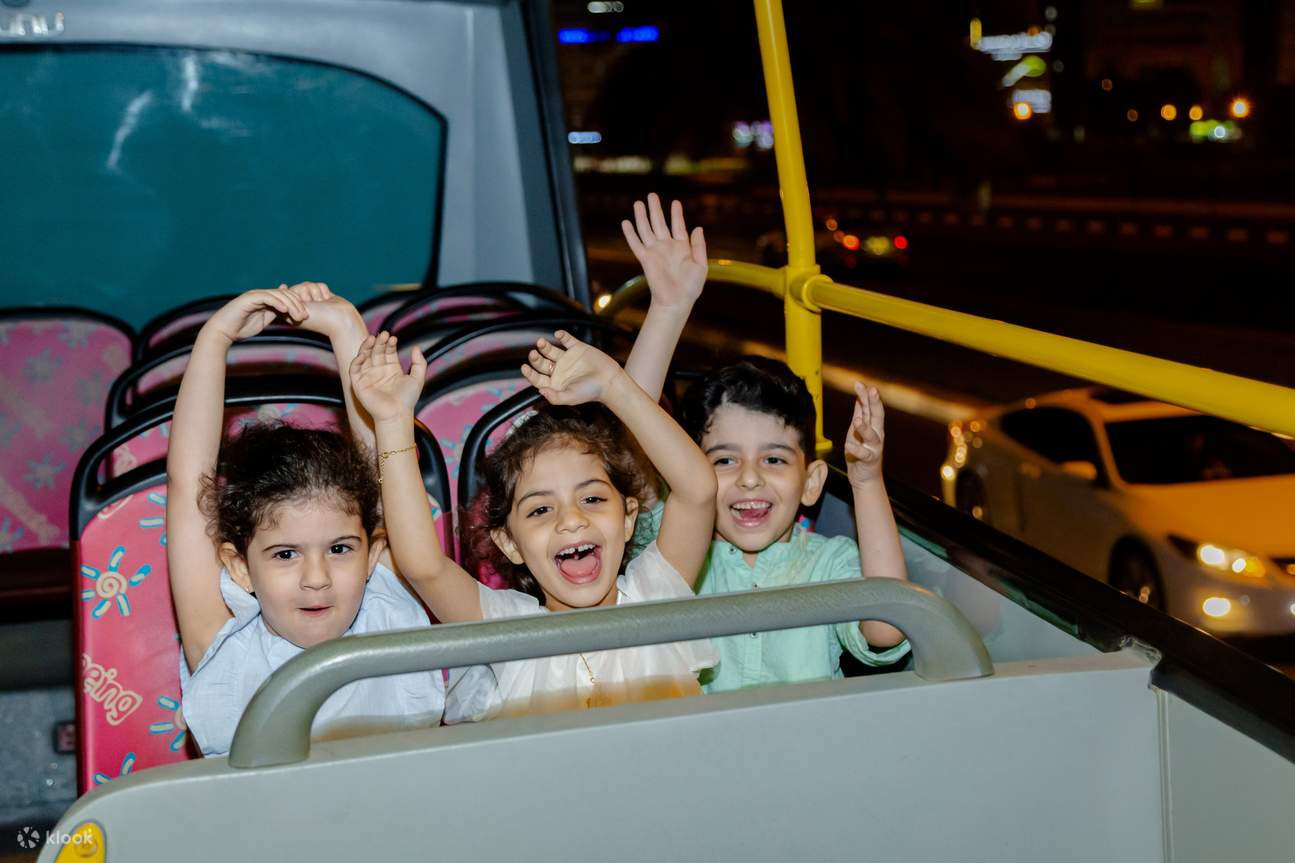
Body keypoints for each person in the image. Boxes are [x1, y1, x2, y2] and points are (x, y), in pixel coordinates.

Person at [168, 285, 487, 756]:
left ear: (374, 553)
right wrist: (215, 337)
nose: (316, 578)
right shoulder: (225, 650)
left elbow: (384, 460)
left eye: (339, 549)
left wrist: (344, 326)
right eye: (285, 554)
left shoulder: (388, 613)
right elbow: (187, 483)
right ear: (239, 569)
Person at [620, 195, 912, 692]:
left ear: (812, 482)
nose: (750, 478)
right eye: (724, 460)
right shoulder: (675, 553)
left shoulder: (828, 564)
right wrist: (669, 309)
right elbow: (633, 431)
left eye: (774, 459)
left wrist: (866, 482)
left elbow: (887, 629)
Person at [352, 327, 718, 716]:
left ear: (628, 517)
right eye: (540, 509)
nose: (572, 519)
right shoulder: (511, 631)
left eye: (592, 499)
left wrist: (615, 386)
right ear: (509, 543)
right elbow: (423, 566)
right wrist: (392, 422)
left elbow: (698, 491)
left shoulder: (655, 598)